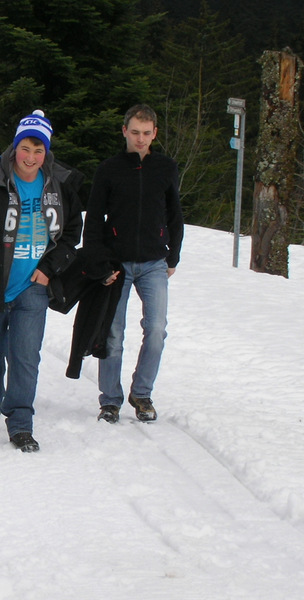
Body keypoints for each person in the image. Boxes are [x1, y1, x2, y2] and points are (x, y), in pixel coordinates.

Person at [0, 110, 82, 452]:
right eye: (25, 149)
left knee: (25, 357)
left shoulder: (60, 184)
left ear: (46, 152)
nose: (31, 158)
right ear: (14, 148)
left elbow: (71, 234)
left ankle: (21, 423)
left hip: (33, 287)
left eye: (39, 151)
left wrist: (49, 268)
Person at [83, 104, 184, 424]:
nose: (140, 139)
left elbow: (175, 214)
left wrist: (173, 255)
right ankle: (110, 400)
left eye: (147, 133)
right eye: (135, 132)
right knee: (112, 333)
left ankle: (142, 394)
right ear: (124, 131)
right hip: (118, 263)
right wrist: (99, 263)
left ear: (155, 134)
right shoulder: (109, 169)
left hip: (154, 262)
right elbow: (93, 219)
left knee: (156, 330)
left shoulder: (165, 167)